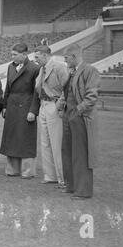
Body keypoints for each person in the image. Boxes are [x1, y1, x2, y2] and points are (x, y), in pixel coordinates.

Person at [59, 43, 100, 199]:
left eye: (67, 58)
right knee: (67, 151)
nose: (65, 61)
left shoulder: (90, 71)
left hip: (80, 118)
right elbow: (67, 92)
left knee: (81, 155)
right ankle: (71, 186)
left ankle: (83, 191)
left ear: (74, 56)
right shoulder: (72, 72)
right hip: (68, 117)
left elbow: (92, 97)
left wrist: (78, 111)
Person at [0, 43, 40, 179]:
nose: (12, 57)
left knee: (26, 139)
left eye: (15, 55)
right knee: (11, 138)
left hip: (26, 107)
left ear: (24, 54)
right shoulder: (10, 67)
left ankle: (28, 171)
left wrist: (33, 111)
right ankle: (12, 169)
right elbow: (8, 89)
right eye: (12, 54)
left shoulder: (35, 68)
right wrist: (4, 106)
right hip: (12, 107)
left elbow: (36, 93)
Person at [34, 45, 69, 187]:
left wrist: (60, 106)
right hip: (43, 105)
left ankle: (63, 178)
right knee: (45, 142)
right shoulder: (42, 69)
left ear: (44, 55)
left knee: (56, 143)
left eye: (37, 57)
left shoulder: (59, 67)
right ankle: (50, 176)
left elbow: (67, 88)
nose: (35, 60)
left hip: (54, 105)